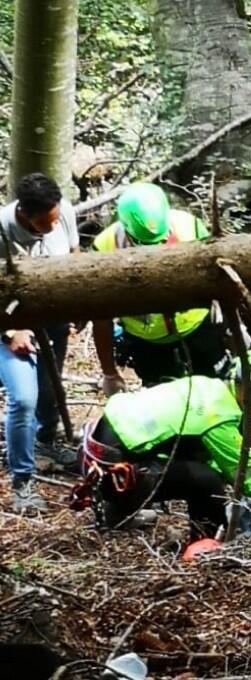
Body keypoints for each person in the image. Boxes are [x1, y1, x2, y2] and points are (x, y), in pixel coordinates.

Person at [75, 350, 251, 539]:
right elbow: (248, 483)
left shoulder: (205, 385)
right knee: (206, 480)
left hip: (94, 453)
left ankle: (119, 511)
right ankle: (205, 541)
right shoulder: (219, 416)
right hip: (115, 474)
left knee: (192, 462)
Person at [90, 183, 225, 392]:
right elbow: (100, 317)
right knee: (165, 402)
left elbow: (218, 279)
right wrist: (109, 372)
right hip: (147, 343)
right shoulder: (105, 246)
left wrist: (235, 324)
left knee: (216, 391)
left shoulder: (191, 227)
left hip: (199, 328)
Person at [0, 174, 81, 511]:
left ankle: (46, 442)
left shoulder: (64, 214)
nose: (54, 224)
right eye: (46, 223)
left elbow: (76, 254)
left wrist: (81, 300)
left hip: (52, 316)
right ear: (25, 214)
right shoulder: (2, 231)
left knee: (50, 388)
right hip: (9, 321)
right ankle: (23, 480)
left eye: (56, 217)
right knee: (24, 398)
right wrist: (11, 331)